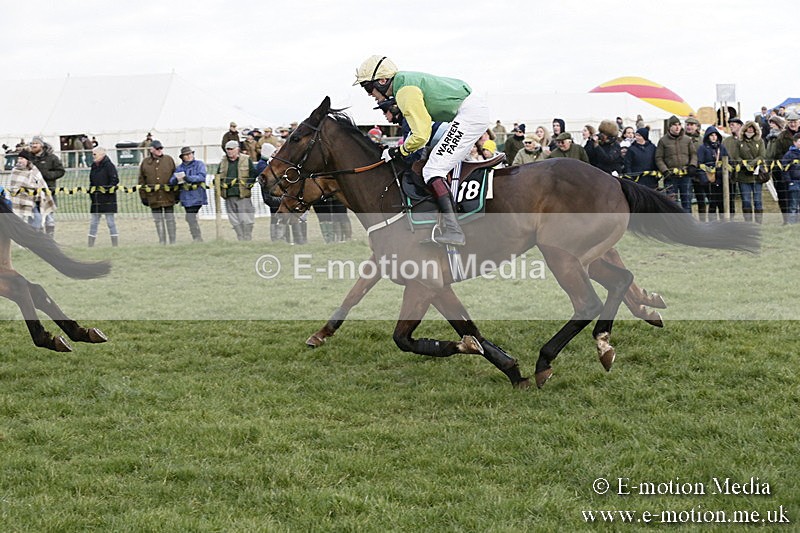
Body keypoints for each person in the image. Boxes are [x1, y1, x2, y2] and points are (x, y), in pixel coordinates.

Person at [353, 55, 489, 246]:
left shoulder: (404, 91)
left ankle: (454, 230)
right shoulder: (406, 82)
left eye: (368, 87)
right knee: (435, 165)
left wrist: (397, 152)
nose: (369, 94)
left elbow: (421, 135)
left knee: (432, 170)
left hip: (469, 114)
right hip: (469, 110)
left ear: (383, 81)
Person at [138, 140, 178, 244]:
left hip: (168, 196)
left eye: (161, 148)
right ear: (151, 150)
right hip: (153, 197)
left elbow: (176, 176)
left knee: (170, 219)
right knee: (158, 220)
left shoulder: (169, 160)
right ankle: (162, 241)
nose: (159, 150)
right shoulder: (145, 163)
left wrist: (177, 194)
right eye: (157, 149)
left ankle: (173, 241)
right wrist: (143, 197)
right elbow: (141, 181)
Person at [655, 115, 696, 213]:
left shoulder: (687, 140)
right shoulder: (663, 141)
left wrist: (692, 165)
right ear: (669, 127)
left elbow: (693, 154)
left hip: (685, 176)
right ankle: (675, 225)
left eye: (679, 125)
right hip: (671, 176)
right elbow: (658, 158)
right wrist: (665, 171)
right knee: (672, 204)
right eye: (674, 125)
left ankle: (688, 224)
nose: (677, 127)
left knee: (687, 202)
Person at [218, 140, 257, 240]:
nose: (229, 151)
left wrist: (248, 184)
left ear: (237, 149)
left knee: (246, 218)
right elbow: (217, 176)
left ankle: (247, 237)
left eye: (231, 149)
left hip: (243, 194)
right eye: (227, 149)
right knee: (234, 219)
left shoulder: (246, 159)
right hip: (229, 195)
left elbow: (253, 173)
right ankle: (240, 237)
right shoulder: (223, 162)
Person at [28, 135, 65, 238]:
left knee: (49, 217)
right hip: (33, 192)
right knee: (34, 216)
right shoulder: (29, 158)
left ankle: (49, 239)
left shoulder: (52, 157)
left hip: (48, 191)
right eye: (32, 143)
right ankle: (37, 239)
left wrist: (49, 175)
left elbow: (61, 171)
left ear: (41, 145)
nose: (33, 145)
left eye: (36, 143)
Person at [8, 149, 55, 229]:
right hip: (21, 200)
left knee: (37, 219)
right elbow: (14, 187)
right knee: (32, 219)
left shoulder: (34, 171)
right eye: (19, 158)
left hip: (34, 200)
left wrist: (40, 193)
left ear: (28, 161)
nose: (20, 160)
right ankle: (31, 235)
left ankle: (34, 235)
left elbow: (42, 184)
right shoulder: (15, 171)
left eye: (22, 158)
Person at [170, 146, 208, 242]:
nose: (189, 156)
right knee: (190, 217)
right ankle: (197, 237)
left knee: (190, 217)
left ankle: (197, 237)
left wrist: (188, 178)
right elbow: (171, 181)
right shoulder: (179, 168)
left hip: (198, 196)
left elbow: (201, 177)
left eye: (190, 154)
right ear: (182, 157)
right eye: (186, 155)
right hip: (186, 198)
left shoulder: (200, 164)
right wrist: (176, 179)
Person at [768, 112, 800, 224]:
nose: (792, 124)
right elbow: (777, 153)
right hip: (785, 171)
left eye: (795, 121)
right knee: (784, 197)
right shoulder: (782, 136)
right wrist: (790, 160)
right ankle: (787, 220)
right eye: (790, 122)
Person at [735, 121, 767, 223]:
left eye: (752, 128)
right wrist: (745, 165)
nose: (750, 129)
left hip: (757, 175)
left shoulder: (760, 141)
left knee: (757, 200)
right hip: (743, 176)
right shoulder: (739, 142)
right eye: (748, 128)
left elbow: (762, 155)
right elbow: (736, 156)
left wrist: (751, 165)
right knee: (746, 200)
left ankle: (758, 222)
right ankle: (748, 223)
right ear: (744, 129)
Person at [87, 146, 119, 247]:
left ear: (102, 154)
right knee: (93, 223)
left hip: (108, 199)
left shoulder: (109, 166)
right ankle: (90, 245)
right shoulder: (94, 166)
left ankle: (115, 244)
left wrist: (107, 190)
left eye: (94, 154)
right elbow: (91, 181)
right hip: (96, 199)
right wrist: (91, 193)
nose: (93, 156)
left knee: (110, 222)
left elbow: (115, 180)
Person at [696, 126, 728, 221]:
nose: (714, 137)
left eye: (715, 135)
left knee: (722, 203)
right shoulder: (702, 148)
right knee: (712, 203)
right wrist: (704, 180)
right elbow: (700, 164)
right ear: (707, 137)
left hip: (721, 179)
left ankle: (723, 223)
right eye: (711, 135)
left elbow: (728, 162)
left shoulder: (722, 148)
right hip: (709, 181)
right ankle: (712, 224)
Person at [780, 132, 800, 224]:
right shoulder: (789, 155)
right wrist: (789, 181)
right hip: (794, 182)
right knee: (793, 205)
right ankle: (792, 224)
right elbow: (784, 169)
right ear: (795, 142)